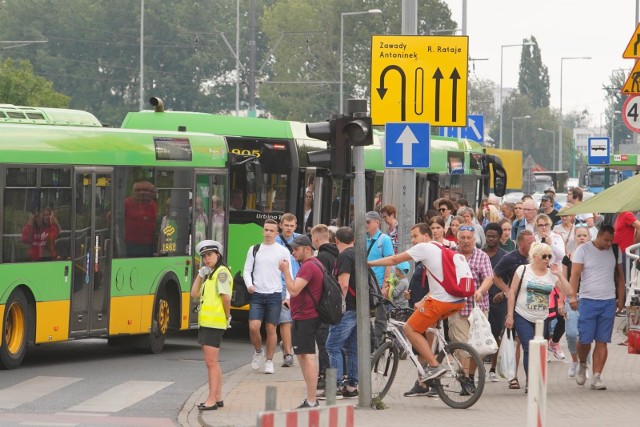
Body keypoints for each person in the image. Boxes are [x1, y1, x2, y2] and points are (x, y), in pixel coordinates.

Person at [368, 233, 467, 384]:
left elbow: (394, 259)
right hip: (458, 301)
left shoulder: (425, 248)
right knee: (426, 329)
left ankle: (434, 366)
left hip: (441, 302)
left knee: (409, 329)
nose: (412, 240)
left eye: (415, 236)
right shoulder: (442, 250)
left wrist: (369, 263)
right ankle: (426, 379)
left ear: (426, 237)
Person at [505, 242, 573, 392]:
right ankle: (531, 381)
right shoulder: (523, 270)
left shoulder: (551, 274)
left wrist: (559, 274)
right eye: (544, 256)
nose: (547, 259)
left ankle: (534, 379)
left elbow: (569, 291)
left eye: (549, 256)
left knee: (539, 350)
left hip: (542, 319)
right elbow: (512, 293)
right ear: (535, 256)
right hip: (522, 315)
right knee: (529, 348)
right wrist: (510, 315)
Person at [569, 225, 625, 390]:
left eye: (611, 240)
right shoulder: (583, 249)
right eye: (606, 240)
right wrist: (573, 296)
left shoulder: (615, 250)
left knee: (602, 340)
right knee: (584, 339)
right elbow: (575, 275)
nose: (608, 243)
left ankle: (597, 376)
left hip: (608, 301)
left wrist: (620, 299)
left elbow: (620, 277)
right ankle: (582, 363)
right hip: (587, 300)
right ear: (598, 235)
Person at [279, 235, 324, 408]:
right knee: (303, 355)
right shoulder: (315, 264)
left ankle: (312, 400)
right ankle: (310, 397)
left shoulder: (309, 266)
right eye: (292, 249)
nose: (293, 253)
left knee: (308, 357)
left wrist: (285, 271)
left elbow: (294, 290)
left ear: (307, 249)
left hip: (306, 316)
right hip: (305, 314)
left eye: (296, 249)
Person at [448, 224, 494, 392]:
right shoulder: (451, 255)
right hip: (457, 308)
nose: (466, 241)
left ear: (474, 240)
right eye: (462, 238)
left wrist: (481, 290)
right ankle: (465, 378)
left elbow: (489, 277)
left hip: (478, 308)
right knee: (461, 346)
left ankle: (470, 376)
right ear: (457, 239)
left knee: (478, 347)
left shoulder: (482, 256)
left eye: (469, 238)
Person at [244, 219, 291, 374]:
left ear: (276, 233)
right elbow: (246, 269)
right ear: (262, 231)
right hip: (257, 293)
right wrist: (249, 284)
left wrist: (289, 295)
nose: (268, 233)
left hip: (275, 294)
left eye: (271, 231)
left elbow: (288, 273)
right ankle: (258, 352)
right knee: (253, 326)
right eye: (266, 230)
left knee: (271, 328)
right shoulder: (254, 249)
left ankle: (269, 361)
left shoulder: (282, 251)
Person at [191, 240, 232, 411]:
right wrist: (201, 274)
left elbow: (226, 298)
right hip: (208, 323)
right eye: (204, 257)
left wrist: (227, 316)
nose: (207, 259)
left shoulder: (221, 273)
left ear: (218, 255)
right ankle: (218, 397)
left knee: (211, 363)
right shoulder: (210, 275)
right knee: (212, 362)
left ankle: (211, 399)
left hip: (214, 323)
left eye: (210, 255)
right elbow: (194, 294)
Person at [492, 229, 536, 390]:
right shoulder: (510, 258)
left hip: (533, 306)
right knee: (518, 340)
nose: (533, 244)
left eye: (534, 241)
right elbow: (495, 275)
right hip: (514, 305)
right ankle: (513, 376)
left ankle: (531, 377)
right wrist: (506, 291)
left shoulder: (537, 258)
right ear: (521, 243)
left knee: (529, 343)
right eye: (530, 242)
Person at [319, 227, 359, 400]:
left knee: (332, 346)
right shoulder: (358, 253)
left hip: (348, 308)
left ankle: (333, 387)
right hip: (358, 308)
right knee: (351, 348)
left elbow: (343, 284)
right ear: (354, 240)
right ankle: (351, 386)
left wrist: (338, 306)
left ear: (336, 241)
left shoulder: (344, 256)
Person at [310, 224, 339, 389]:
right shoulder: (337, 253)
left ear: (315, 238)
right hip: (336, 306)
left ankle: (324, 376)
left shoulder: (321, 257)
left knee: (323, 342)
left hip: (325, 306)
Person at [563, 223, 591, 377]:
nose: (581, 238)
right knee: (572, 333)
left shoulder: (593, 257)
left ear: (589, 237)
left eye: (584, 235)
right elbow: (563, 279)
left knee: (585, 334)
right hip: (570, 297)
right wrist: (562, 300)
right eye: (579, 235)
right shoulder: (567, 258)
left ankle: (584, 365)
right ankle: (574, 360)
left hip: (588, 297)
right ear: (574, 238)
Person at [275, 213, 301, 369]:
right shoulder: (275, 242)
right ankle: (288, 354)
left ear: (296, 226)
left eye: (292, 226)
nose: (289, 229)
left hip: (299, 283)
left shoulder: (301, 240)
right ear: (281, 225)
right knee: (285, 319)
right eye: (286, 225)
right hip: (282, 285)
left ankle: (286, 343)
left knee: (296, 320)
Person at [365, 210, 395, 347]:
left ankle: (379, 345)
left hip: (378, 282)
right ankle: (370, 343)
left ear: (377, 223)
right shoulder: (363, 238)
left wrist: (385, 286)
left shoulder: (384, 239)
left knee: (380, 316)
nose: (365, 225)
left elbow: (389, 263)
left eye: (368, 222)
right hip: (366, 283)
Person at [483, 222, 508, 381]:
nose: (490, 239)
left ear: (499, 237)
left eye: (494, 236)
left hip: (498, 302)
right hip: (482, 300)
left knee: (495, 334)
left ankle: (493, 368)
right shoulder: (479, 253)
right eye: (488, 236)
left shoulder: (505, 256)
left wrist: (504, 294)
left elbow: (512, 280)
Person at [124, 181, 158, 257]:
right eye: (138, 190)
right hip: (130, 244)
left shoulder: (153, 205)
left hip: (148, 245)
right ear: (132, 192)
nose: (142, 193)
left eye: (146, 190)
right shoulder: (126, 203)